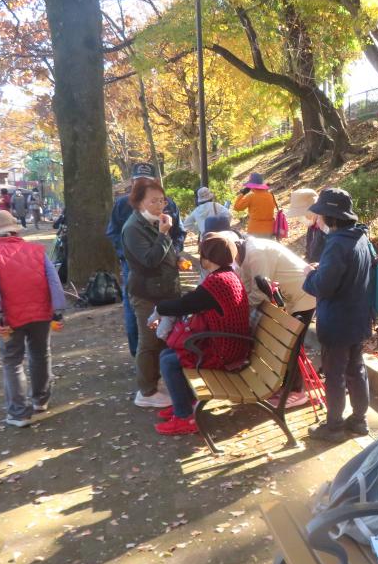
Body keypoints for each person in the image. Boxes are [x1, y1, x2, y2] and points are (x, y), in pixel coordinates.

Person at [150, 233, 251, 436]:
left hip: (225, 352)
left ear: (207, 259)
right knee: (169, 356)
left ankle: (184, 416)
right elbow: (194, 300)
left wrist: (158, 308)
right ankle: (184, 404)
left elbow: (185, 304)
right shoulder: (229, 276)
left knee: (168, 361)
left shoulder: (217, 282)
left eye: (202, 256)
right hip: (231, 344)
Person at [0, 210, 66, 427]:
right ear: (14, 228)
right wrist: (58, 308)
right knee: (41, 354)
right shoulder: (36, 250)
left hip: (10, 317)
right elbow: (53, 280)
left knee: (12, 361)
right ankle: (40, 399)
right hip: (41, 313)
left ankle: (18, 413)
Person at [302, 188, 373, 441]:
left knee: (335, 374)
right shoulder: (360, 236)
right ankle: (359, 421)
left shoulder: (335, 244)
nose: (319, 219)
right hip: (359, 317)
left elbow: (323, 286)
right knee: (357, 369)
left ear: (332, 217)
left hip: (337, 321)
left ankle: (333, 426)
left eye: (322, 214)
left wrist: (310, 275)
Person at [106, 162, 186, 357]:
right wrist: (129, 254)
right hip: (136, 269)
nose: (141, 185)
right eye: (137, 181)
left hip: (166, 269)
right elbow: (113, 233)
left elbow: (178, 233)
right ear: (132, 183)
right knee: (137, 311)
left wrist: (173, 253)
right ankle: (140, 355)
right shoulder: (122, 205)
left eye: (147, 181)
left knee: (171, 310)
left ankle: (168, 356)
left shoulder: (168, 203)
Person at [234, 233, 317, 409]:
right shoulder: (244, 254)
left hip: (304, 296)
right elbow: (247, 287)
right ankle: (288, 386)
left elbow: (259, 292)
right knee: (289, 344)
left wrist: (241, 310)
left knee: (293, 346)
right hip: (291, 298)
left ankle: (296, 391)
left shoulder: (256, 253)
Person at [121, 178, 181, 408]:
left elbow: (164, 254)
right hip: (147, 293)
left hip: (165, 290)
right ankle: (146, 392)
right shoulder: (133, 228)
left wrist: (177, 259)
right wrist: (164, 234)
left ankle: (158, 381)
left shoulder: (155, 221)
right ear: (138, 203)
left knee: (164, 338)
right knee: (148, 342)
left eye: (161, 200)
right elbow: (148, 261)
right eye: (153, 201)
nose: (159, 205)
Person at [287, 188, 326, 263]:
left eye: (303, 213)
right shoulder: (312, 226)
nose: (302, 217)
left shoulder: (324, 228)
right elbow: (310, 248)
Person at [233, 172, 276, 237]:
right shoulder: (270, 195)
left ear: (252, 186)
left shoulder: (251, 196)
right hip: (270, 229)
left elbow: (237, 207)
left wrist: (242, 193)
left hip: (255, 230)